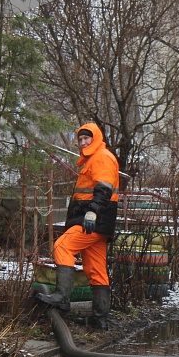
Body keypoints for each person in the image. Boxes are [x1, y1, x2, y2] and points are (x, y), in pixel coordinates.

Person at [36, 123, 120, 330]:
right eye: (80, 139)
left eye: (87, 138)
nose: (83, 143)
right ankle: (100, 319)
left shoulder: (102, 157)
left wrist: (92, 212)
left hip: (91, 221)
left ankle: (62, 297)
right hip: (97, 223)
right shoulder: (93, 160)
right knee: (96, 269)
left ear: (96, 138)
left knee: (62, 246)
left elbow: (104, 188)